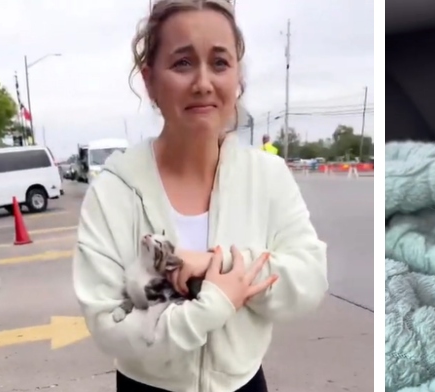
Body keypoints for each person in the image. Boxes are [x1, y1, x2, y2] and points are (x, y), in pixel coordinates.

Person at [71, 1, 329, 391]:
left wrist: (215, 264)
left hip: (243, 383)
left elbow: (308, 281)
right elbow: (108, 324)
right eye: (182, 63)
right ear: (149, 80)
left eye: (220, 63)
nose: (204, 82)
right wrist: (212, 306)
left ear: (237, 76)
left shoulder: (268, 177)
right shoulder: (114, 191)